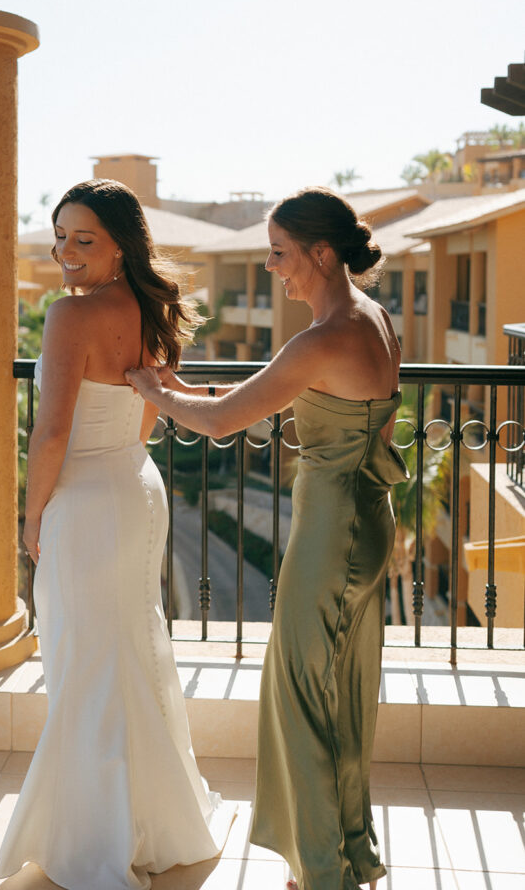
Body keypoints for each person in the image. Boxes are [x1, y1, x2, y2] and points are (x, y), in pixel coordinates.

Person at [126, 186, 409, 890]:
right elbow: (333, 419)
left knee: (300, 695)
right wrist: (179, 388)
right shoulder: (373, 318)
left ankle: (321, 870)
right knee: (339, 693)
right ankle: (344, 853)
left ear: (319, 252)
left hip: (333, 532)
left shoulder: (325, 337)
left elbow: (224, 422)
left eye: (279, 255)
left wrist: (154, 390)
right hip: (362, 520)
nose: (272, 269)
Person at [0, 179, 235, 890]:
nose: (65, 253)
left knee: (85, 663)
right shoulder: (151, 309)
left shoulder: (71, 318)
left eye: (82, 239)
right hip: (135, 485)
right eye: (59, 237)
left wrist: (33, 515)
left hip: (86, 500)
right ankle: (153, 822)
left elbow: (53, 430)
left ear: (120, 243)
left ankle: (94, 839)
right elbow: (148, 413)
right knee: (129, 650)